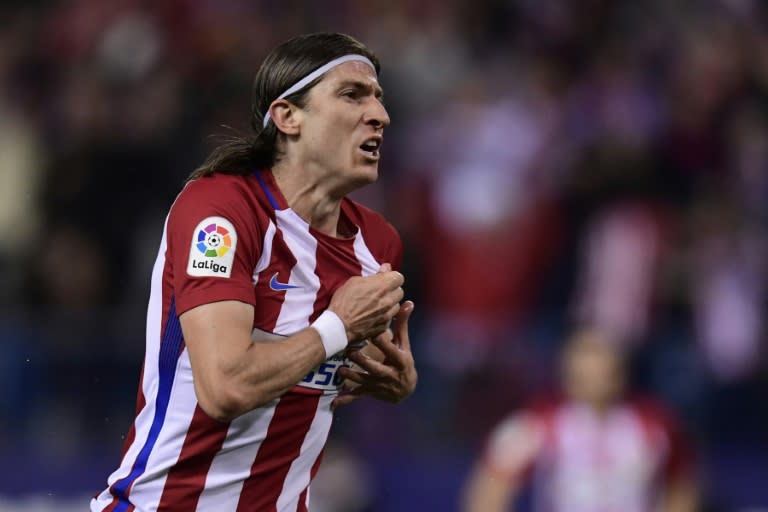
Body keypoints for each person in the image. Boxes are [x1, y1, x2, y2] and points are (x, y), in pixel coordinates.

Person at [91, 32, 418, 512]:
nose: (379, 115)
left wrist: (393, 380)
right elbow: (225, 388)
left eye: (379, 99)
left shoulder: (378, 243)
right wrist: (338, 326)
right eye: (353, 95)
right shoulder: (219, 210)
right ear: (287, 117)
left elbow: (318, 370)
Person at [462, 328, 698, 512]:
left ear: (620, 370)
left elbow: (682, 483)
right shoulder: (537, 421)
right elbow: (490, 485)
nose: (592, 375)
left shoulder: (654, 421)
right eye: (582, 369)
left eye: (601, 362)